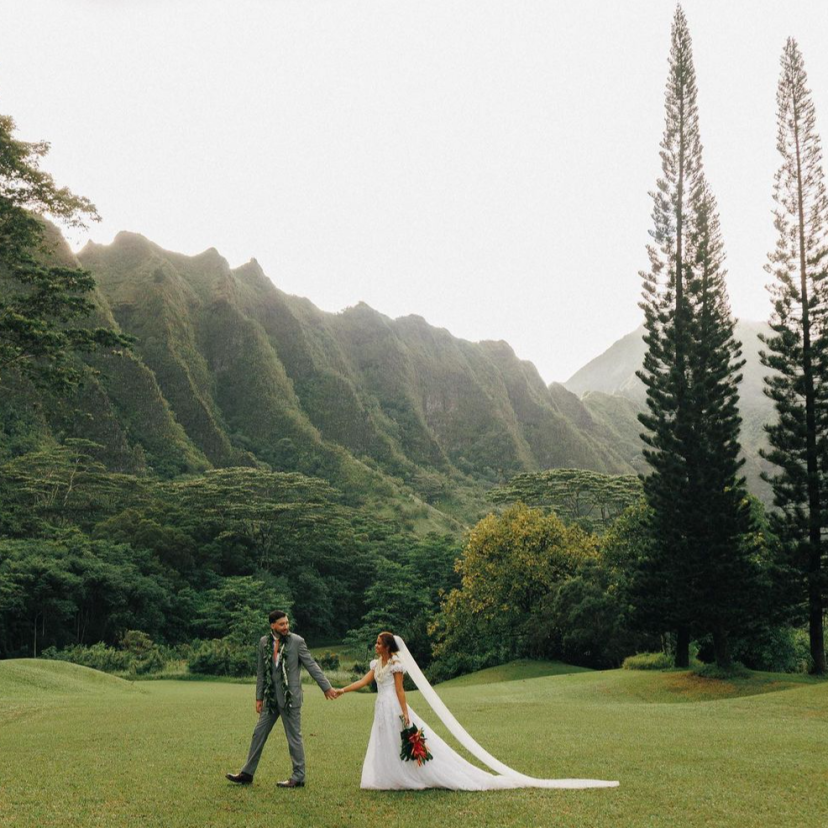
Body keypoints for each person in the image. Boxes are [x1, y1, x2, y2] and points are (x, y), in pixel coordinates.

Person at [334, 631, 618, 791]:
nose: (376, 644)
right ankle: (389, 776)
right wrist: (342, 691)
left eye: (379, 642)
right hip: (379, 708)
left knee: (402, 738)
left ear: (387, 647)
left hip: (393, 706)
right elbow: (364, 681)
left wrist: (406, 713)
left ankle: (412, 776)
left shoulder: (395, 665)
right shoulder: (376, 664)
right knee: (386, 742)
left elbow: (399, 690)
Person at [226, 610, 338, 788]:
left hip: (290, 699)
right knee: (258, 734)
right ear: (272, 626)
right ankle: (247, 773)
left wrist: (326, 687)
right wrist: (258, 697)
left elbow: (311, 665)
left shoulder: (297, 642)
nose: (286, 627)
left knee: (294, 738)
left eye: (287, 623)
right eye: (281, 624)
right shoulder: (264, 642)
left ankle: (298, 777)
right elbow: (262, 672)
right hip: (271, 699)